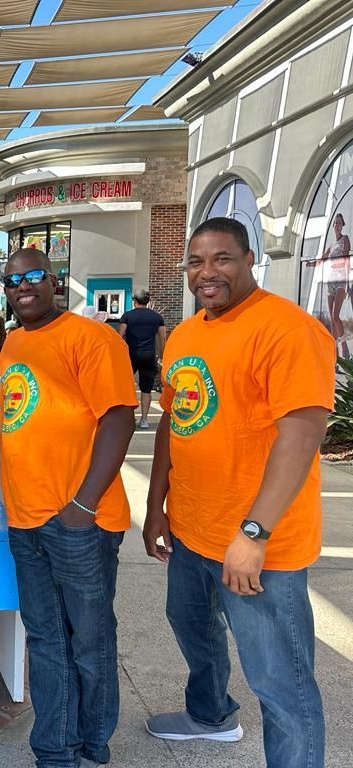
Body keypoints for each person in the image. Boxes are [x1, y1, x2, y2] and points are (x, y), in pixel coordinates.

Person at [142, 217, 334, 768]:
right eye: (196, 261)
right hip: (191, 531)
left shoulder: (287, 329)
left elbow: (302, 433)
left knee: (282, 686)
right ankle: (210, 715)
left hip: (257, 545)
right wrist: (156, 507)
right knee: (193, 631)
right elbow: (173, 422)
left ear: (250, 259)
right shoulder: (185, 333)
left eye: (222, 259)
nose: (207, 272)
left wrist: (254, 533)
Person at [0, 248, 136, 768]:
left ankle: (92, 740)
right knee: (47, 638)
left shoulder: (90, 338)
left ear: (54, 280)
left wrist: (82, 504)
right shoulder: (13, 342)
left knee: (90, 639)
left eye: (33, 276)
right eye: (11, 280)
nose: (22, 286)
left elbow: (118, 417)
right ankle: (56, 749)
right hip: (27, 520)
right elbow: (25, 410)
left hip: (80, 521)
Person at [117, 289, 167, 429]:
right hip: (148, 355)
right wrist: (162, 356)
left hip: (130, 355)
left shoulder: (127, 316)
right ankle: (144, 419)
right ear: (148, 301)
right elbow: (162, 337)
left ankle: (129, 417)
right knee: (146, 389)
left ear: (134, 301)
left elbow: (119, 336)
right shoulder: (157, 317)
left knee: (126, 386)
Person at [320, 212, 350, 357]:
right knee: (332, 319)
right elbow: (322, 259)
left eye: (339, 222)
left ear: (342, 225)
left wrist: (347, 283)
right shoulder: (332, 245)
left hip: (341, 280)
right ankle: (335, 353)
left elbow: (347, 260)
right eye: (335, 223)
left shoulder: (345, 239)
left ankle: (344, 348)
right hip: (330, 281)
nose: (337, 225)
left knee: (335, 315)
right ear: (333, 226)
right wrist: (311, 263)